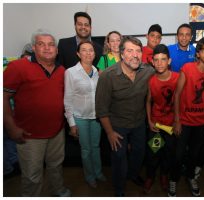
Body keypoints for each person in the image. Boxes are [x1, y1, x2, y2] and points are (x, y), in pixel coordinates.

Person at [3, 29, 70, 197]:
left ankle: (58, 191)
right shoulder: (18, 67)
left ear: (57, 49)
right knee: (32, 175)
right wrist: (10, 127)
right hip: (30, 135)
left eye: (51, 44)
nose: (47, 48)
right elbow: (3, 96)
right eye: (41, 44)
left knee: (56, 166)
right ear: (34, 47)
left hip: (56, 132)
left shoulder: (62, 71)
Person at [95, 36, 155, 197]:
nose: (135, 55)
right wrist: (109, 132)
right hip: (117, 125)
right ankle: (119, 187)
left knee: (139, 153)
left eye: (138, 51)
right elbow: (101, 108)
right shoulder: (108, 76)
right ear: (121, 54)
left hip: (139, 123)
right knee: (119, 157)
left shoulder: (147, 71)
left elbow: (164, 77)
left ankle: (133, 175)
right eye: (130, 51)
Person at [168, 35, 204, 197]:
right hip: (184, 121)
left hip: (203, 122)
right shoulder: (187, 68)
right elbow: (177, 95)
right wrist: (176, 120)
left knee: (195, 154)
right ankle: (173, 180)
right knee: (178, 154)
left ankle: (191, 177)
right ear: (198, 53)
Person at [64, 41, 106, 189]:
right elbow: (67, 100)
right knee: (86, 149)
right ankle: (89, 176)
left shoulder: (97, 72)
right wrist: (72, 123)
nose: (88, 53)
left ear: (95, 54)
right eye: (84, 50)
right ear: (78, 53)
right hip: (80, 117)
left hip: (96, 117)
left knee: (96, 147)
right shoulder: (70, 72)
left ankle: (98, 172)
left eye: (91, 50)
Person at [143, 44, 178, 193]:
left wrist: (178, 121)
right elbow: (148, 101)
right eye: (156, 60)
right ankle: (150, 176)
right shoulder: (151, 80)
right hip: (156, 125)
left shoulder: (178, 78)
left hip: (172, 126)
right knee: (153, 153)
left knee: (168, 153)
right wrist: (150, 121)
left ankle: (164, 175)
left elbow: (183, 101)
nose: (159, 63)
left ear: (169, 61)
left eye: (163, 59)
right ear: (152, 62)